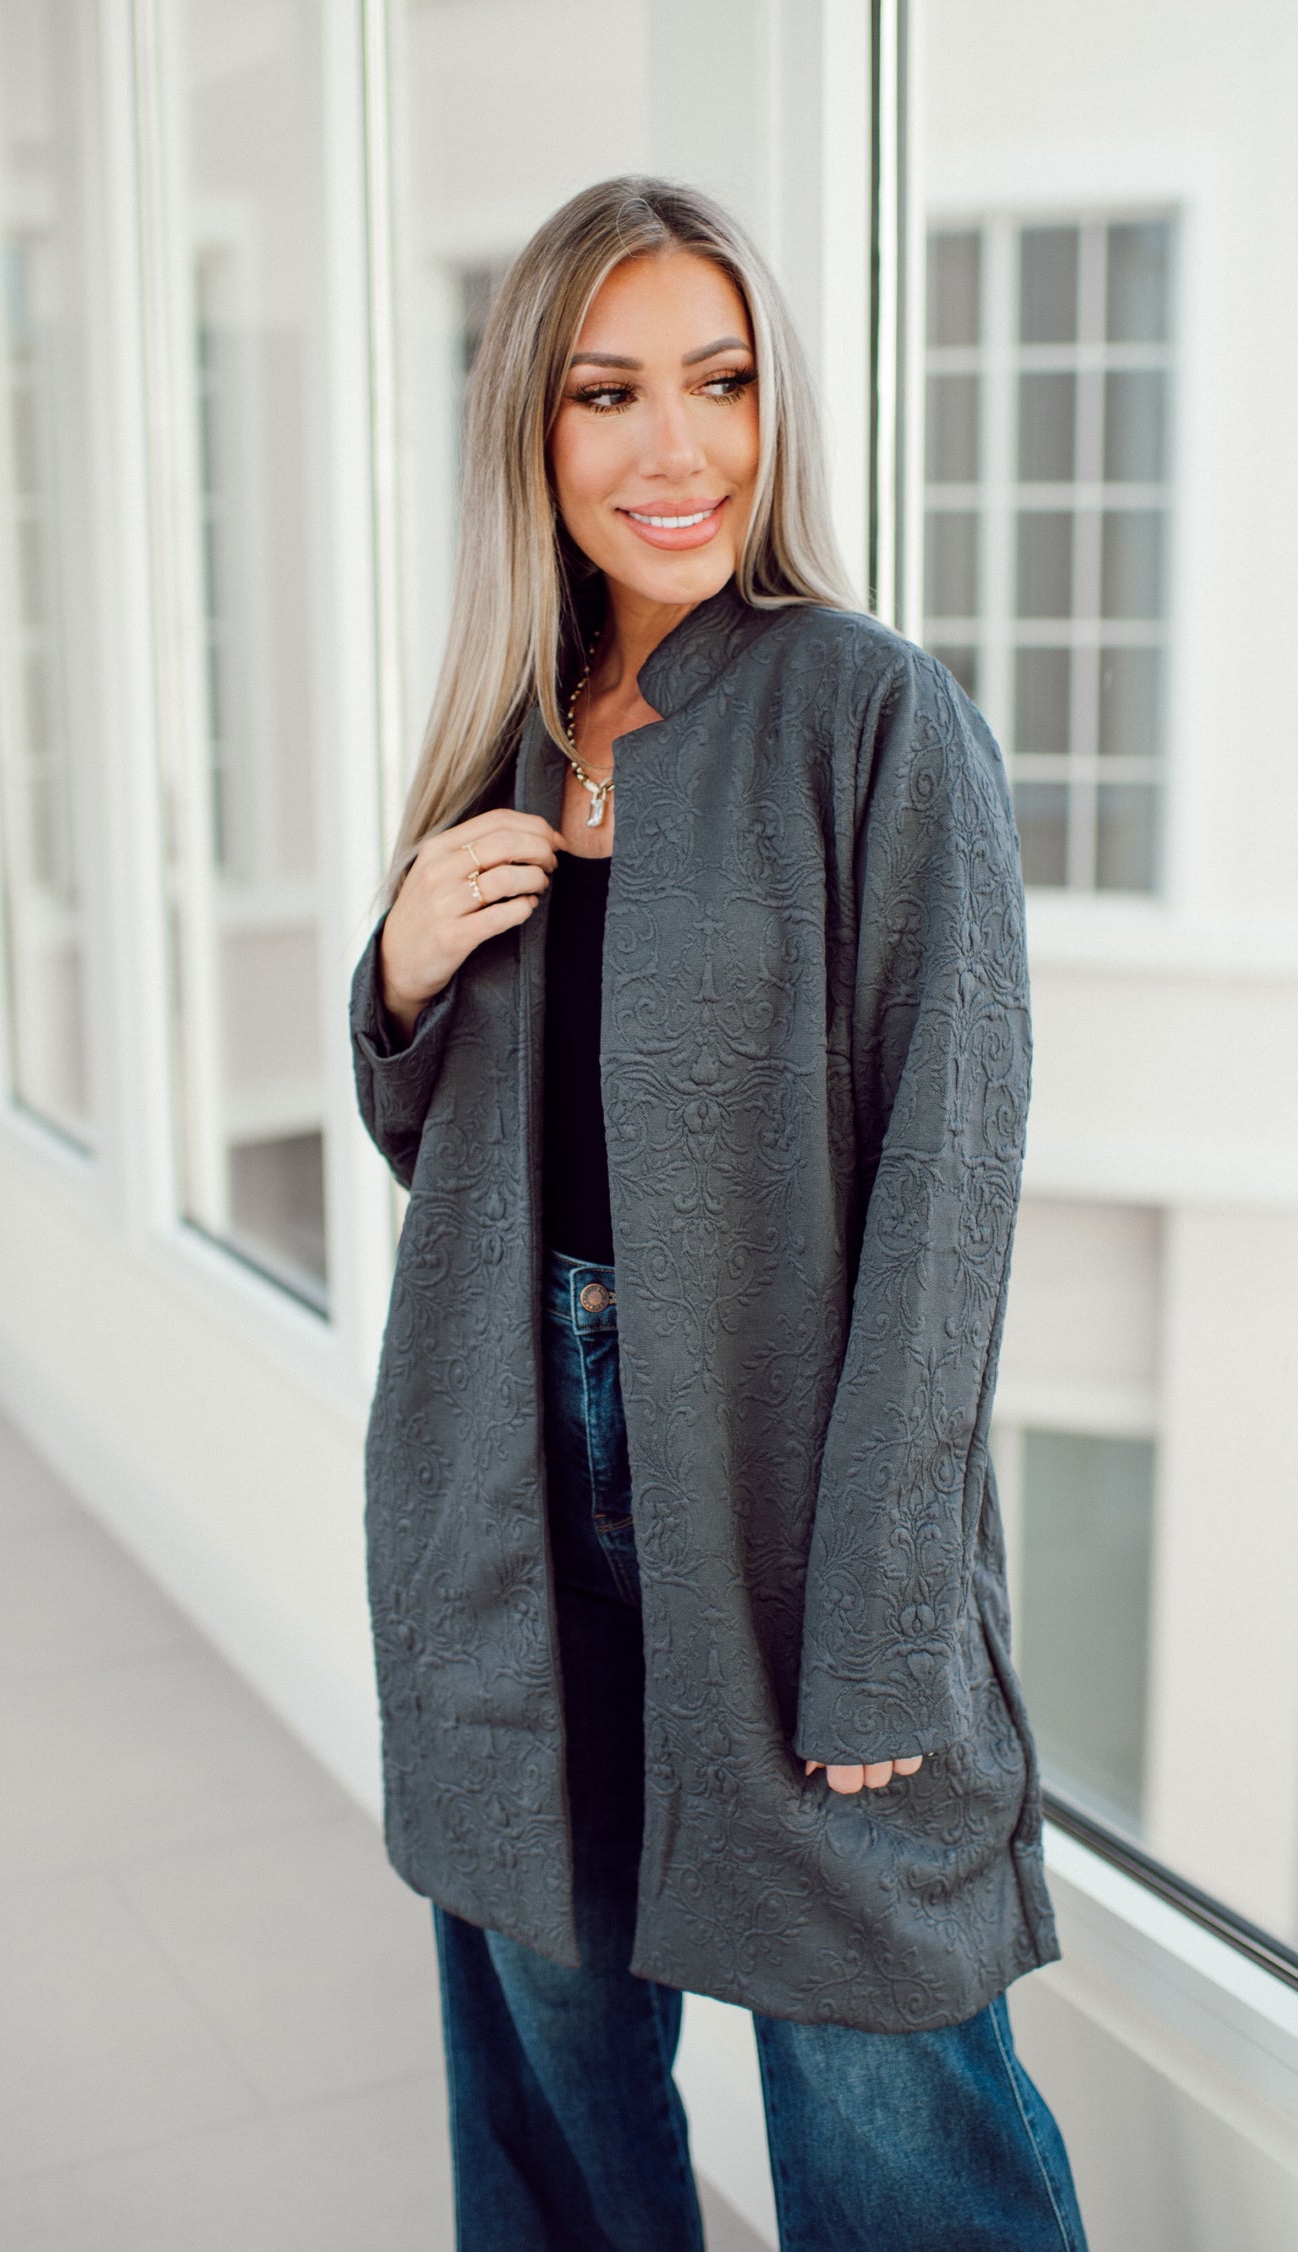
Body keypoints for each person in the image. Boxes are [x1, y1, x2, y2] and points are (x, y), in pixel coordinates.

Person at [350, 175, 1088, 2252]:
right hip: (502, 1476)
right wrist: (396, 977)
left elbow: (949, 1200)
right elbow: (443, 1157)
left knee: (885, 2085)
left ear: (779, 408)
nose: (673, 449)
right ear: (534, 426)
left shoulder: (876, 718)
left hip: (776, 1481)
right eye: (609, 393)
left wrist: (883, 1637)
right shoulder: (507, 733)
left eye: (722, 381)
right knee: (549, 2058)